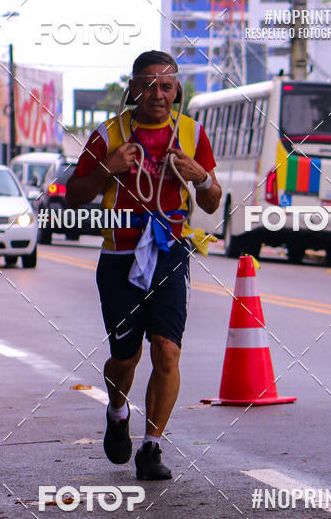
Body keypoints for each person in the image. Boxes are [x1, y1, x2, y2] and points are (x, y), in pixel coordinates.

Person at [66, 51, 222, 480]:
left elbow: (211, 202)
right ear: (133, 88)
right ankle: (117, 411)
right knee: (125, 357)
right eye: (148, 84)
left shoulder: (191, 133)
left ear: (177, 92)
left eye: (166, 86)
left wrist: (200, 177)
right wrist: (106, 169)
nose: (157, 93)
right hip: (119, 257)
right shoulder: (109, 134)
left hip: (170, 254)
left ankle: (152, 448)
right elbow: (72, 195)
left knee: (167, 351)